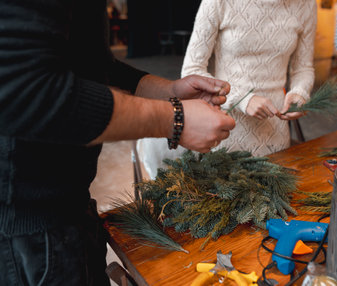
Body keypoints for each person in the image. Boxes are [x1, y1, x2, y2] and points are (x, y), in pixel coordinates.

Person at [0, 0, 235, 285]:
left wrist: (168, 91)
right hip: (28, 235)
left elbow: (90, 66)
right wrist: (174, 119)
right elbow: (27, 91)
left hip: (67, 209)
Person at [138, 0, 317, 178]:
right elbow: (192, 70)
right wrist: (243, 99)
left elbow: (304, 68)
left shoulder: (306, 5)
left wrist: (299, 93)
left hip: (275, 130)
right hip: (226, 126)